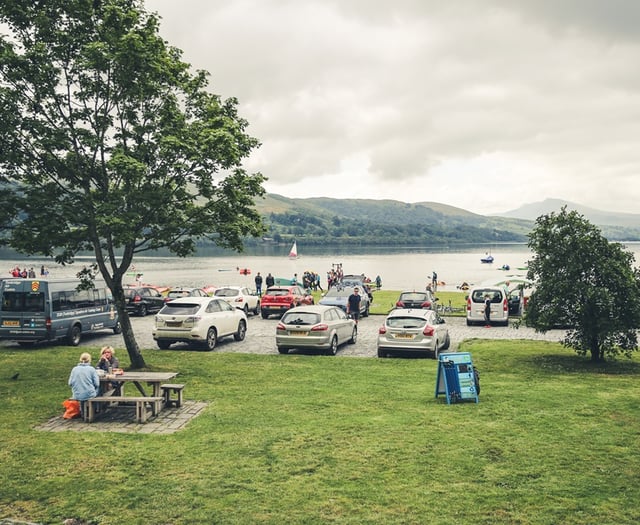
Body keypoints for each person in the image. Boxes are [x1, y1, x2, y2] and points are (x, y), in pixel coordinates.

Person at [68, 352, 100, 417]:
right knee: (99, 390)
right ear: (89, 360)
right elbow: (97, 384)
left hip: (76, 394)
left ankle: (83, 413)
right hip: (89, 394)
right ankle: (96, 410)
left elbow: (70, 383)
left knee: (83, 392)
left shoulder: (74, 369)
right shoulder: (91, 369)